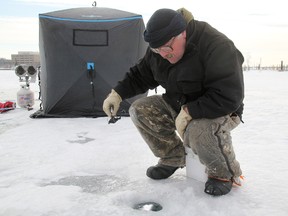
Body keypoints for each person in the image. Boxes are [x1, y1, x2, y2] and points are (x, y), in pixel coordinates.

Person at [103, 8, 244, 196]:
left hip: (221, 109)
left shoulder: (217, 45)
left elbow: (229, 95)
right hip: (178, 103)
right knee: (140, 110)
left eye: (166, 48)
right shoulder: (159, 49)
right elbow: (140, 75)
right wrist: (117, 94)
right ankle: (173, 157)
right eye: (156, 49)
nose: (162, 54)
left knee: (198, 129)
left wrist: (190, 112)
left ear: (182, 33)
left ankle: (223, 173)